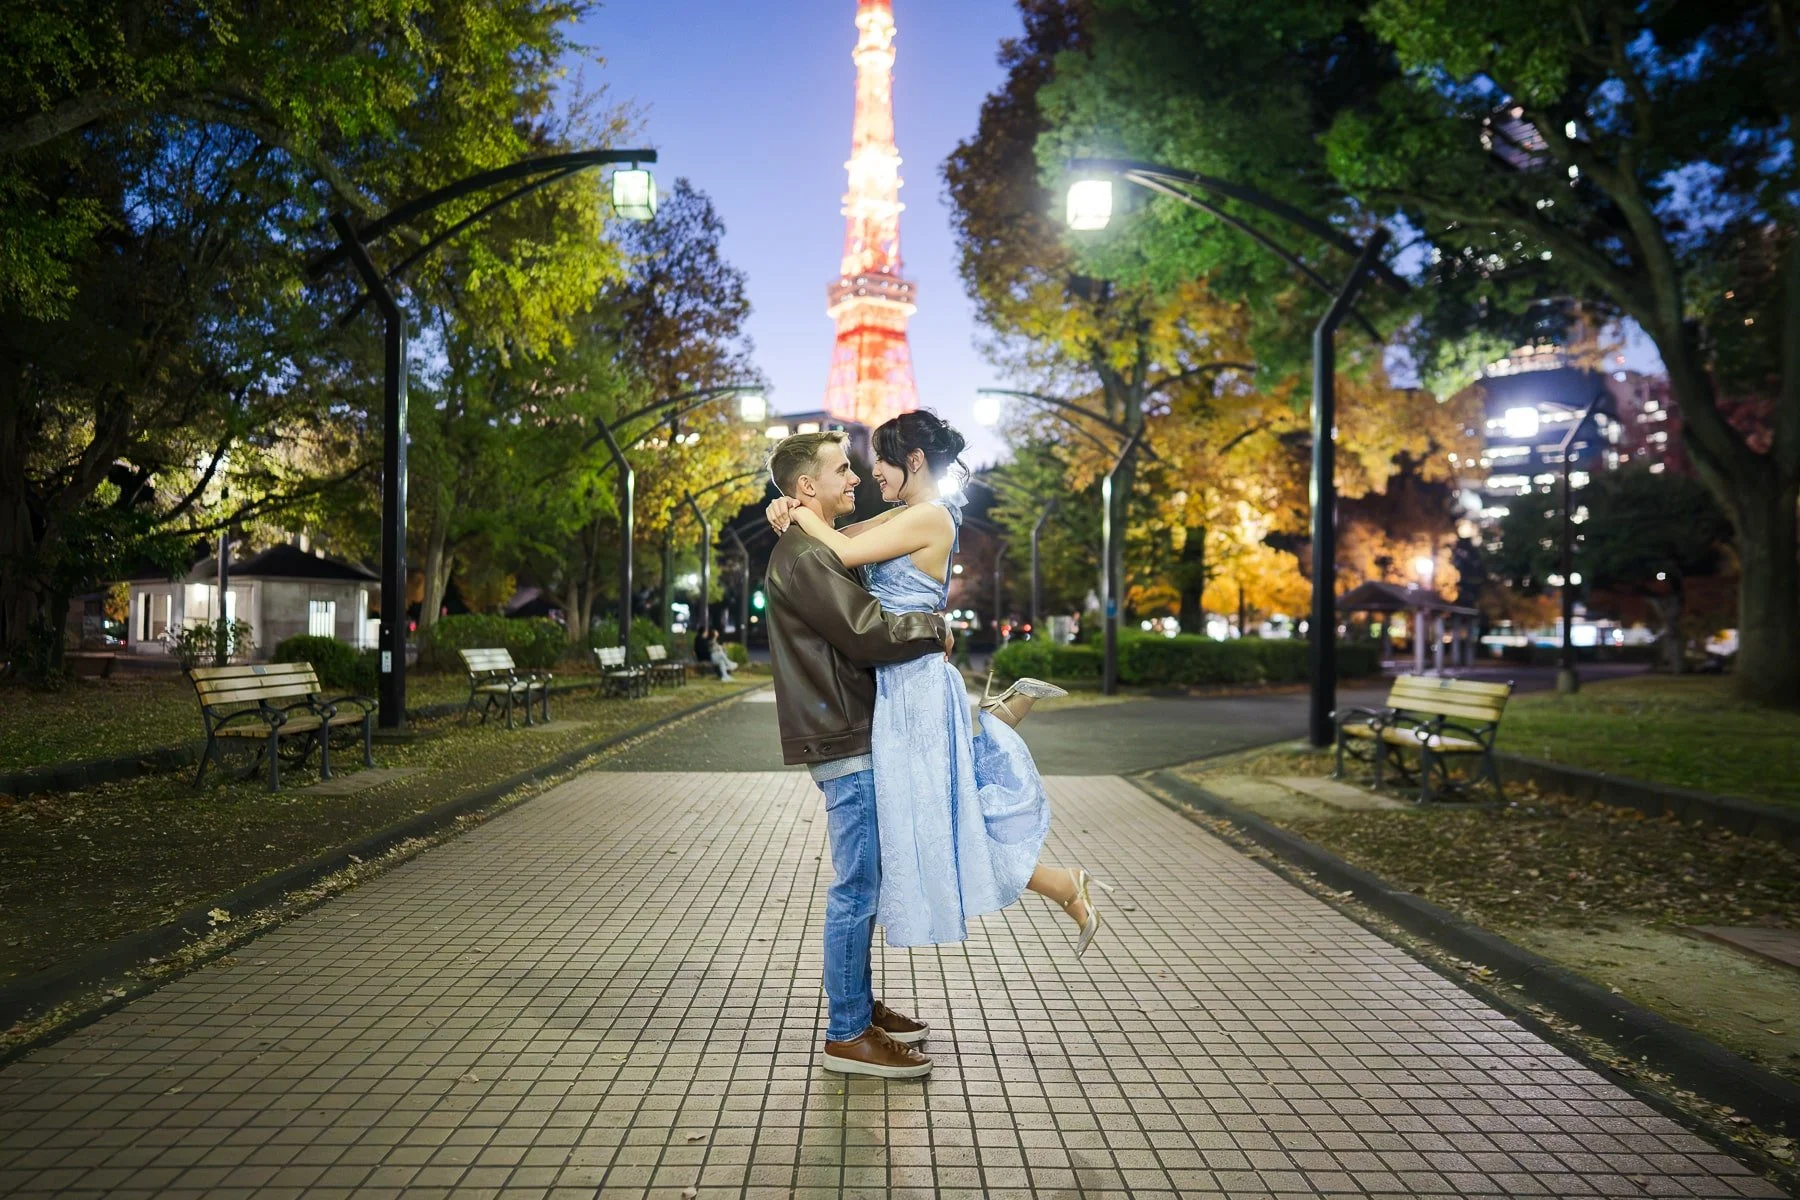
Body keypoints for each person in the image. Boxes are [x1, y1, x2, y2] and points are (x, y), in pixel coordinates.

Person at [766, 411, 1110, 958]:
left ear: (915, 460)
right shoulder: (909, 513)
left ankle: (1061, 878)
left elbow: (844, 551)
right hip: (901, 681)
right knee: (941, 820)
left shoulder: (930, 518)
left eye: (879, 459)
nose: (870, 472)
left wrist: (794, 510)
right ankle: (1062, 882)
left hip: (917, 686)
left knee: (940, 819)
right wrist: (787, 504)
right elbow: (841, 535)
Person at [762, 429, 952, 1081]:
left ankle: (856, 1008)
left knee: (861, 881)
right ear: (806, 486)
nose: (854, 478)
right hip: (843, 732)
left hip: (844, 725)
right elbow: (867, 632)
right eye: (842, 470)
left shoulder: (807, 544)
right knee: (855, 884)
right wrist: (936, 627)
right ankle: (847, 1032)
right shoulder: (808, 556)